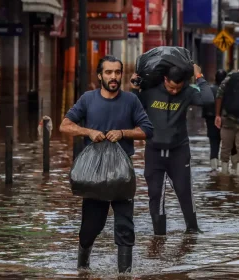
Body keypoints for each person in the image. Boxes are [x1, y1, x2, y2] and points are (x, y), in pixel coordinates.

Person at [59, 55, 154, 273]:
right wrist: (88, 131)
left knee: (125, 226)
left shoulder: (131, 100)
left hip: (122, 174)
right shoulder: (88, 99)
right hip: (94, 175)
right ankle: (82, 268)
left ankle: (124, 273)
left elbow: (147, 130)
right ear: (100, 75)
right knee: (91, 227)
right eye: (109, 72)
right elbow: (65, 125)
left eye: (117, 72)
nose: (114, 77)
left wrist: (123, 133)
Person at [131, 64, 214, 236]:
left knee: (184, 191)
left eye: (178, 87)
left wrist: (199, 76)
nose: (175, 91)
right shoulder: (150, 91)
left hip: (179, 151)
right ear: (164, 79)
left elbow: (208, 100)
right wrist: (134, 87)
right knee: (156, 194)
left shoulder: (188, 92)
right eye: (171, 87)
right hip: (154, 150)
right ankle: (159, 236)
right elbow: (131, 107)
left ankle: (192, 231)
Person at [202, 69, 228, 171]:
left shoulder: (209, 89)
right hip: (225, 119)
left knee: (214, 143)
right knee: (227, 144)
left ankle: (214, 167)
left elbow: (204, 104)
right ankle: (226, 168)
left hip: (210, 120)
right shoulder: (227, 91)